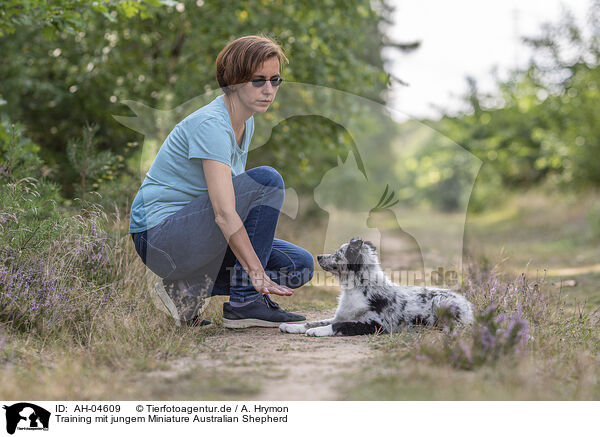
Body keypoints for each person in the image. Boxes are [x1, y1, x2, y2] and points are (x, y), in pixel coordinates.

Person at [129, 35, 313, 328]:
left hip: (196, 234)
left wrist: (255, 264)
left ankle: (187, 288)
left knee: (299, 265)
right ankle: (245, 303)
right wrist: (255, 271)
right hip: (160, 238)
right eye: (258, 80)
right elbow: (225, 213)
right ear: (234, 81)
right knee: (267, 180)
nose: (269, 90)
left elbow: (237, 207)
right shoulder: (211, 125)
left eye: (275, 80)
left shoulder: (245, 121)